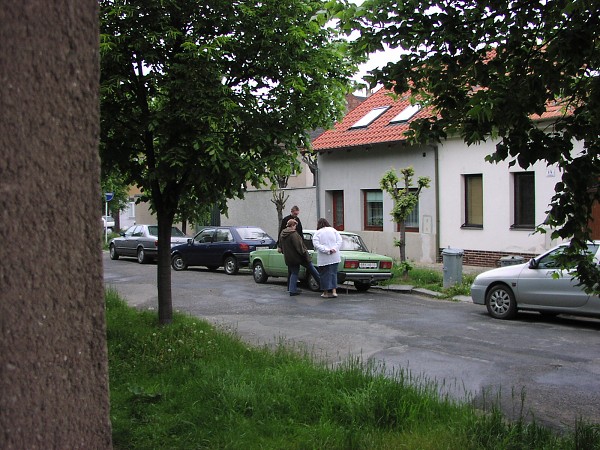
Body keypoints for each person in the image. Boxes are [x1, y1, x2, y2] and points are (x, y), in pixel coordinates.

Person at [279, 219, 320, 296]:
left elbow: (281, 246)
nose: (295, 227)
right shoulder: (294, 234)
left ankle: (291, 289)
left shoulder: (282, 234)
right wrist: (305, 254)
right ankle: (322, 285)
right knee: (304, 271)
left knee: (292, 273)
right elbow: (299, 247)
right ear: (292, 225)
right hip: (298, 257)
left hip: (288, 257)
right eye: (295, 226)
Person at [312, 218, 342, 298]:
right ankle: (334, 291)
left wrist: (326, 250)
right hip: (335, 257)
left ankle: (325, 293)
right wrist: (334, 249)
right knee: (333, 274)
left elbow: (316, 244)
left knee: (324, 275)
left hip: (323, 258)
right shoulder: (333, 230)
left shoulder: (317, 233)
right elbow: (339, 241)